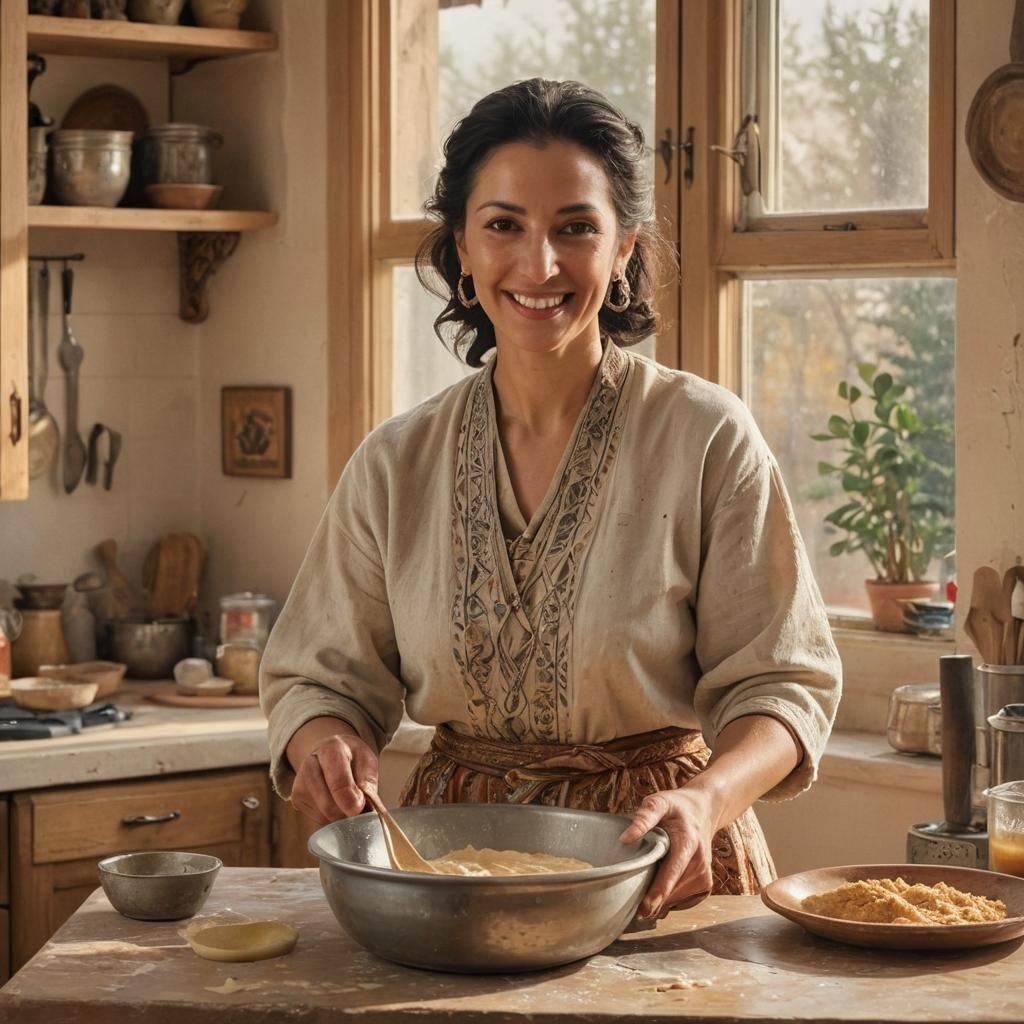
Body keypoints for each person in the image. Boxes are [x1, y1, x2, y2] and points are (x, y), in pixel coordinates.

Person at [261, 78, 841, 918]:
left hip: (660, 872)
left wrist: (708, 799)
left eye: (576, 229)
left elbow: (786, 689)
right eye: (503, 226)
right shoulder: (395, 464)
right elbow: (321, 679)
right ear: (461, 247)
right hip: (449, 883)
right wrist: (324, 741)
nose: (539, 266)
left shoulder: (706, 437)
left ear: (624, 248)